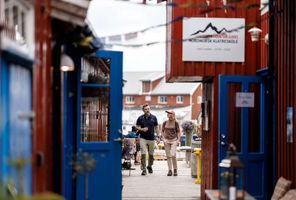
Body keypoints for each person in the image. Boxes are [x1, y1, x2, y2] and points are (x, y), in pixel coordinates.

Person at [136, 104, 159, 176]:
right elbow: (136, 126)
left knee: (151, 154)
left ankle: (149, 166)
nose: (147, 110)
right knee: (143, 153)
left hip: (151, 138)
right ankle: (143, 169)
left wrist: (158, 136)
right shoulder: (140, 118)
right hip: (143, 138)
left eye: (148, 109)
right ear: (143, 110)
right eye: (146, 109)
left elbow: (156, 127)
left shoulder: (154, 117)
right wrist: (141, 129)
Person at [161, 110, 181, 176]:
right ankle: (170, 170)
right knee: (168, 156)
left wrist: (178, 140)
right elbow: (162, 130)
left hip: (174, 140)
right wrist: (163, 138)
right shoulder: (165, 122)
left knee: (173, 155)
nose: (169, 115)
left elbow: (178, 131)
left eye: (170, 113)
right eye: (168, 114)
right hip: (166, 140)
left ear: (173, 114)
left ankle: (175, 169)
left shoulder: (176, 122)